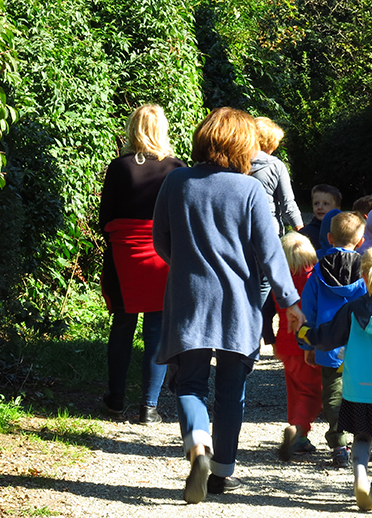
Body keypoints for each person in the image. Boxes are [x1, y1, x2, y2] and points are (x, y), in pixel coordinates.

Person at [152, 107, 306, 505]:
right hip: (238, 300)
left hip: (188, 296)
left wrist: (187, 262)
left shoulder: (176, 182)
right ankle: (222, 472)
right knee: (231, 390)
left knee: (189, 383)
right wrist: (289, 301)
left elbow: (161, 242)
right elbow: (271, 254)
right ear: (243, 146)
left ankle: (198, 445)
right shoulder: (250, 190)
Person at [297, 246, 372, 510]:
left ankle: (360, 477)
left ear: (363, 274)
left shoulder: (352, 310)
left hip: (355, 388)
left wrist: (305, 333)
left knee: (361, 437)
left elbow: (327, 337)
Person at [98, 104, 185, 424]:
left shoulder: (119, 167)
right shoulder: (175, 167)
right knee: (157, 330)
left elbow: (104, 218)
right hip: (162, 255)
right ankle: (149, 407)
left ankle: (115, 399)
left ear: (132, 128)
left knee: (122, 325)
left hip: (124, 256)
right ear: (162, 129)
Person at [300, 210, 367, 468]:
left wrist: (308, 343)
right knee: (360, 389)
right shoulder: (365, 270)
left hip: (328, 345)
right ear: (360, 242)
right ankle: (363, 437)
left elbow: (309, 309)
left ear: (328, 237)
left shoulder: (317, 271)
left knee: (333, 393)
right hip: (359, 345)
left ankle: (339, 443)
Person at [249, 117, 303, 347]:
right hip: (268, 230)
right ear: (270, 142)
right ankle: (258, 328)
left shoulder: (237, 163)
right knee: (264, 283)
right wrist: (300, 227)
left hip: (240, 230)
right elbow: (287, 204)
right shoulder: (275, 165)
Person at [274, 232, 322, 461]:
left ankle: (298, 433)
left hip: (285, 343)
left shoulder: (281, 281)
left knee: (295, 391)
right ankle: (299, 429)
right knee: (313, 393)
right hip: (307, 344)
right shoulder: (315, 278)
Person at [300, 184, 341, 250]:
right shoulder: (306, 234)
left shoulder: (343, 231)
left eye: (325, 204)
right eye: (316, 203)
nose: (320, 207)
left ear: (337, 208)